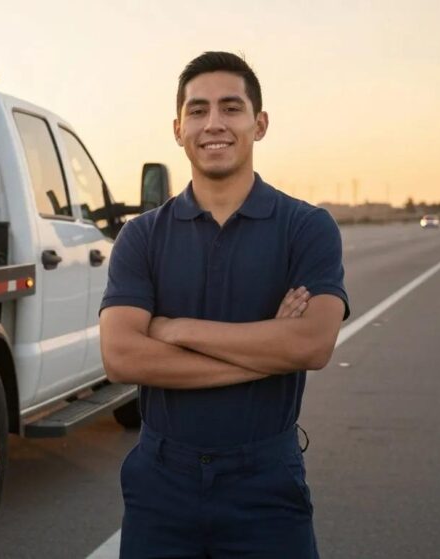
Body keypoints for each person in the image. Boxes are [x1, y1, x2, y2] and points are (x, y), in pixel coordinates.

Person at [99, 51, 350, 558]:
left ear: (260, 124)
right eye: (198, 110)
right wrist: (269, 351)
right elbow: (121, 357)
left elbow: (312, 345)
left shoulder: (306, 227)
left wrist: (176, 329)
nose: (214, 123)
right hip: (161, 484)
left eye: (231, 108)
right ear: (178, 130)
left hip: (265, 482)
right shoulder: (141, 237)